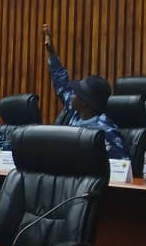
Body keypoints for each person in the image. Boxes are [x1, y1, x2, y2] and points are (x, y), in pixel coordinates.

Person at [43, 24, 127, 159]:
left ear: (85, 103)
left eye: (76, 92)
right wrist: (52, 53)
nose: (71, 94)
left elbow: (122, 166)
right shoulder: (76, 114)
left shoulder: (106, 131)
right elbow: (62, 84)